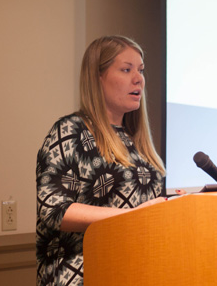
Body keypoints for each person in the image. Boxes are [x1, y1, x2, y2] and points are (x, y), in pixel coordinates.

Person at [35, 35, 166, 286]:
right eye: (126, 70)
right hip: (83, 275)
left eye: (140, 70)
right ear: (98, 78)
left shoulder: (136, 140)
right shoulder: (70, 131)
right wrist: (130, 216)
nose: (138, 78)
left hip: (136, 274)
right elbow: (54, 211)